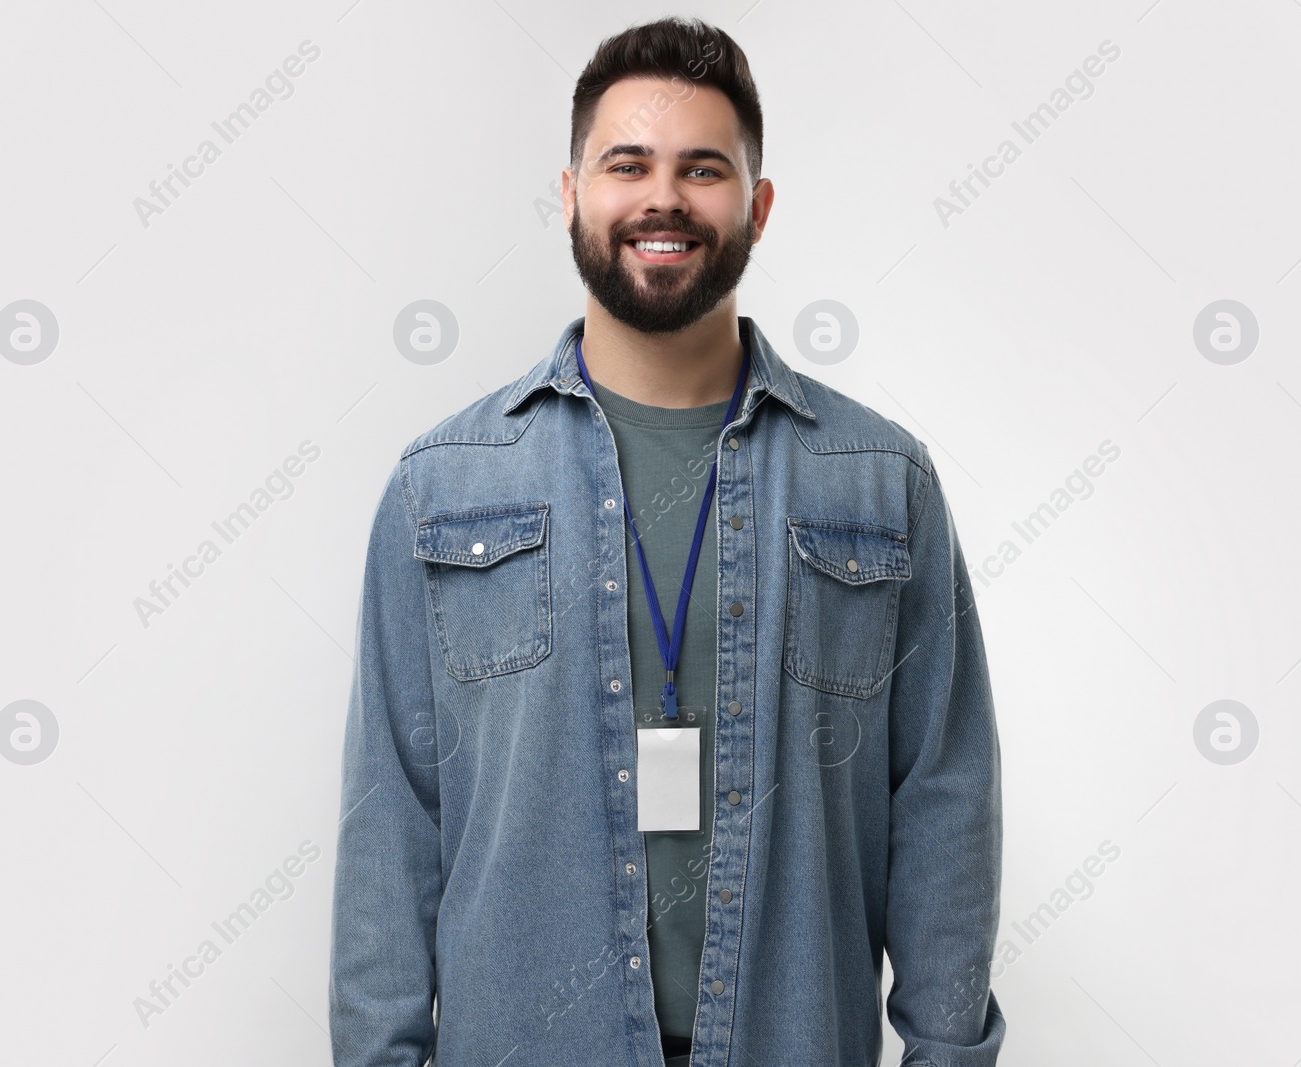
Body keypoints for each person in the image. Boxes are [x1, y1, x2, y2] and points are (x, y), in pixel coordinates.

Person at [329, 16, 1004, 1067]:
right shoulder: (444, 483)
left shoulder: (879, 480)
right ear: (570, 194)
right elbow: (391, 820)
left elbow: (944, 799)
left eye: (702, 169)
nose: (662, 199)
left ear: (757, 205)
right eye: (626, 164)